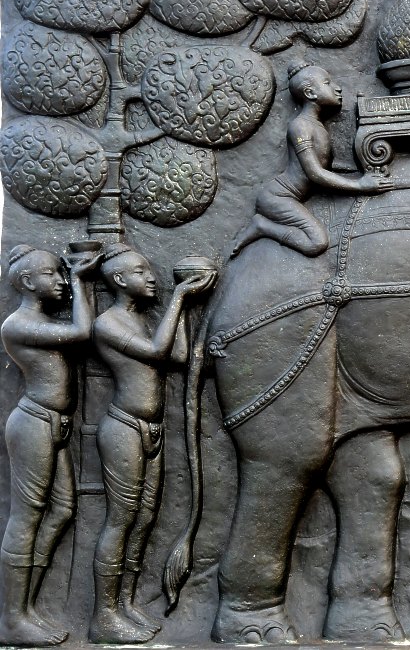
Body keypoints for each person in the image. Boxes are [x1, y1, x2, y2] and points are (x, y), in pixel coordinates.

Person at [89, 245, 214, 644]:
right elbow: (157, 351)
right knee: (121, 520)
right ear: (119, 280)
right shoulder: (107, 323)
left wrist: (187, 307)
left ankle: (125, 604)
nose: (151, 277)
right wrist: (179, 296)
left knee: (144, 519)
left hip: (151, 430)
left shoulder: (140, 320)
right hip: (123, 428)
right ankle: (103, 615)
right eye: (141, 271)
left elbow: (176, 355)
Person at [0, 245, 99, 646]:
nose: (59, 281)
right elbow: (81, 333)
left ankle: (29, 605)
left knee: (61, 509)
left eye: (61, 273)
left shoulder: (39, 320)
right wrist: (79, 278)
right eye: (51, 274)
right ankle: (12, 619)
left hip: (53, 424)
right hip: (34, 423)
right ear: (27, 282)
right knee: (26, 518)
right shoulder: (18, 325)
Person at [231, 62, 393, 258]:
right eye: (327, 83)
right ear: (310, 93)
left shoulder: (316, 126)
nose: (337, 88)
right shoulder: (300, 127)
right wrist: (360, 185)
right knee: (317, 243)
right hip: (277, 198)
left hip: (291, 197)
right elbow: (314, 173)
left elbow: (325, 168)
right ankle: (263, 227)